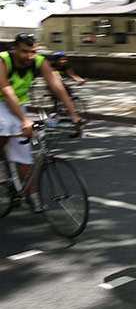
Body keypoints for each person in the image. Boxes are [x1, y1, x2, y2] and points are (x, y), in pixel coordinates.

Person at [0, 33, 82, 212]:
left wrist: (74, 115)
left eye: (33, 52)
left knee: (25, 154)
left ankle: (31, 195)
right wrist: (24, 120)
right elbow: (6, 91)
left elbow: (58, 87)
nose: (29, 56)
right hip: (2, 101)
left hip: (18, 104)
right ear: (14, 49)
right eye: (24, 52)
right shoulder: (3, 60)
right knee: (5, 125)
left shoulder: (38, 62)